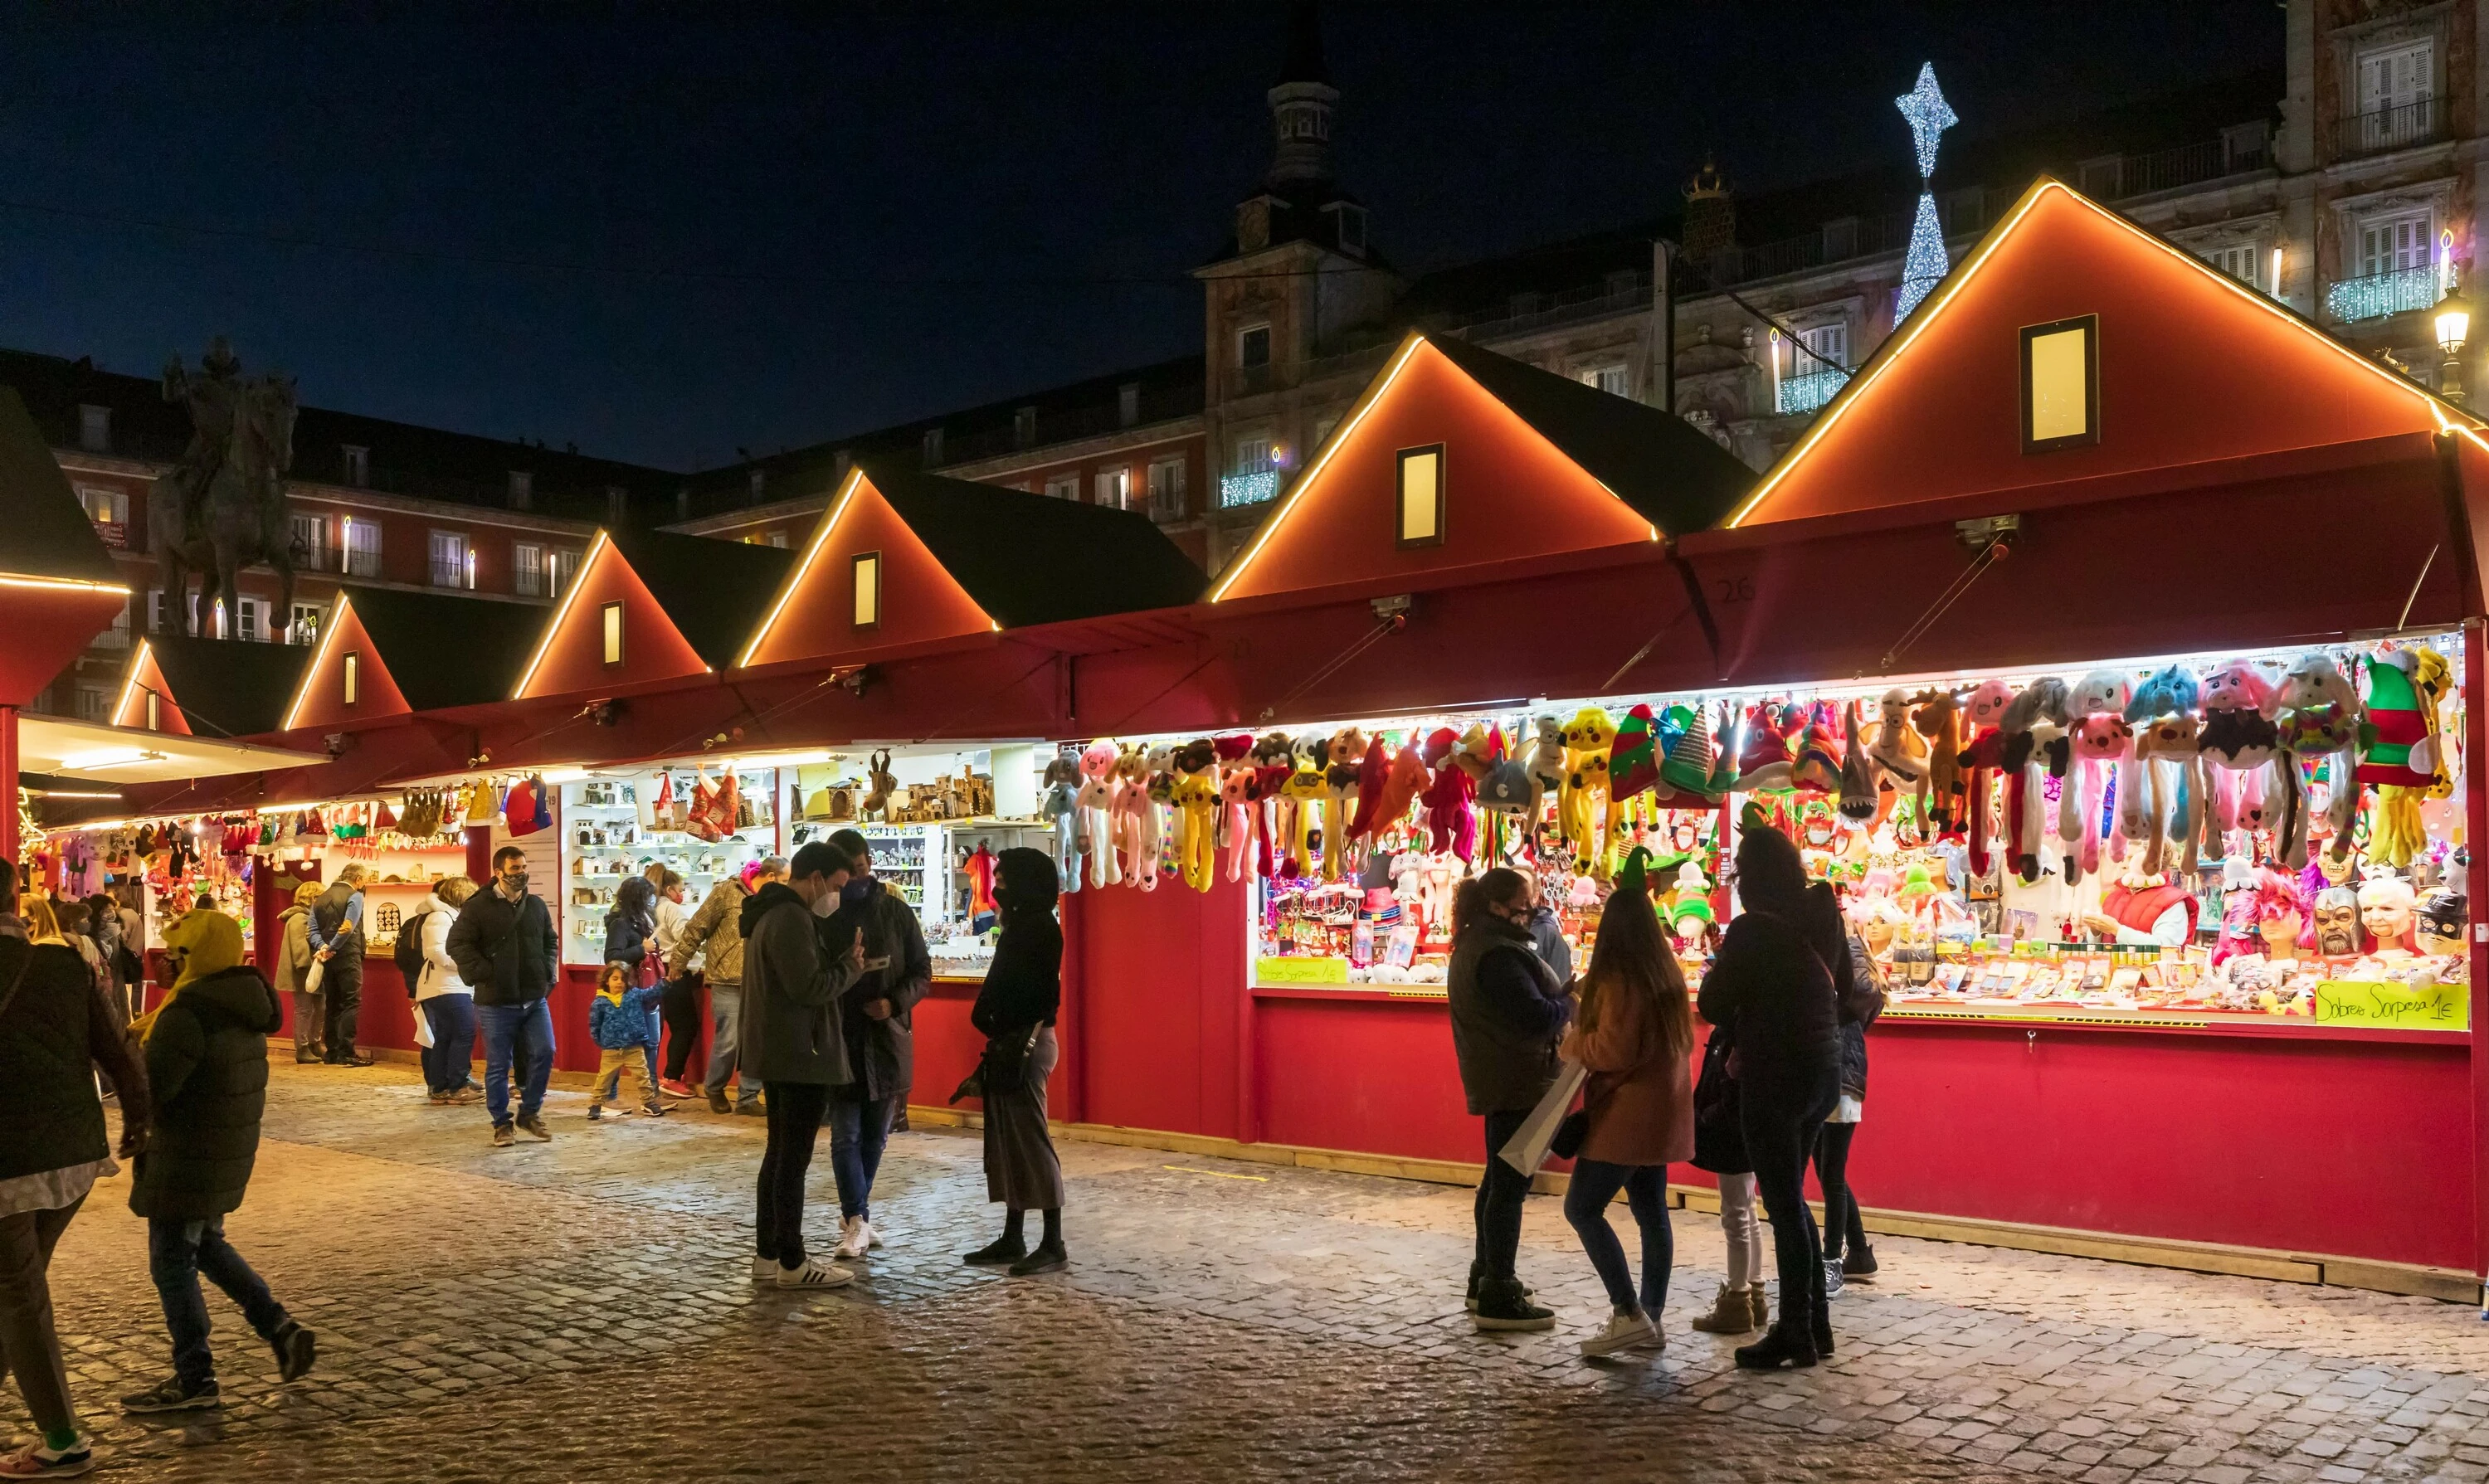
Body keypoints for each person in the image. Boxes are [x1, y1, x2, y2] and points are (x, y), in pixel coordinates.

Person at [118, 907, 316, 1415]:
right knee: (204, 1243)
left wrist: (124, 1059)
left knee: (171, 1263)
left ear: (197, 957)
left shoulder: (188, 1013)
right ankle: (279, 1328)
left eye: (173, 954)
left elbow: (155, 1089)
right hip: (219, 1153)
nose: (161, 964)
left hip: (186, 1156)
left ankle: (195, 1377)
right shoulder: (237, 1002)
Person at [0, 888, 151, 1477]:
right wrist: (139, 1115)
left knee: (19, 1294)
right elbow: (114, 1046)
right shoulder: (62, 961)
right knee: (16, 1290)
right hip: (74, 1153)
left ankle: (62, 1438)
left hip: (10, 1159)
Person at [1697, 826, 1846, 1370]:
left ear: (1749, 876)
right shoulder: (1820, 917)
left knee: (1782, 1204)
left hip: (1774, 1070)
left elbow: (1713, 1002)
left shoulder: (1752, 929)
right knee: (1794, 1197)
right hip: (1822, 1065)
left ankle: (1796, 1333)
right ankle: (1815, 1325)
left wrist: (1720, 961)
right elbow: (1845, 989)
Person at [1558, 878, 1695, 1358]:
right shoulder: (1666, 974)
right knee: (1652, 1213)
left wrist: (1573, 1041)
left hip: (1626, 1114)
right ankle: (1651, 1317)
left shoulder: (1618, 980)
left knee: (1581, 1207)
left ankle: (1627, 1313)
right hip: (1662, 1114)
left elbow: (1610, 1049)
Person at [1445, 865, 1571, 1332]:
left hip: (1500, 1075)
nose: (1531, 910)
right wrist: (1570, 1002)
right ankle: (1500, 1286)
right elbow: (1535, 1017)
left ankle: (1485, 1279)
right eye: (1525, 902)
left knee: (1496, 1181)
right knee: (1509, 1187)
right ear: (1499, 906)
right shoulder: (1498, 954)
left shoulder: (1478, 944)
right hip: (1516, 1079)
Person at [740, 842, 864, 1288]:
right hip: (799, 1055)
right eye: (835, 886)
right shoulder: (790, 917)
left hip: (780, 1051)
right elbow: (807, 987)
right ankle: (792, 1261)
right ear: (814, 878)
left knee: (779, 1155)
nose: (836, 896)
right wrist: (851, 969)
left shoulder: (770, 915)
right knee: (792, 1159)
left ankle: (769, 1255)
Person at [822, 829, 931, 1261]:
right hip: (843, 1039)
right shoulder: (825, 918)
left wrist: (895, 1002)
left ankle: (858, 1218)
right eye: (849, 872)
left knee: (875, 1138)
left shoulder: (896, 913)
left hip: (888, 1038)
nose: (857, 877)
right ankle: (856, 1217)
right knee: (845, 1136)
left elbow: (922, 971)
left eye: (862, 867)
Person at [962, 847, 1070, 1277]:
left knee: (1031, 1141)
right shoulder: (1023, 924)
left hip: (1024, 1043)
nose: (996, 887)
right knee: (1009, 1142)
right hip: (1012, 1040)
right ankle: (1014, 1233)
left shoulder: (1038, 928)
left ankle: (1052, 1241)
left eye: (1003, 880)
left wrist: (999, 1023)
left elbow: (1036, 995)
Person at [446, 848, 559, 1149]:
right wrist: (484, 972)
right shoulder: (478, 907)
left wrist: (547, 971)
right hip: (496, 1001)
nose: (521, 873)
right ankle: (501, 1123)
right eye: (514, 868)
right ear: (498, 872)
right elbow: (456, 943)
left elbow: (550, 940)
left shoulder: (535, 905)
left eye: (524, 867)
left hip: (535, 998)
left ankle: (530, 1112)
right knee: (498, 1064)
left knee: (545, 1051)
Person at [673, 858, 783, 1116]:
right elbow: (697, 926)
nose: (787, 884)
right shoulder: (726, 892)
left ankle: (748, 1098)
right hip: (727, 979)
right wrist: (679, 961)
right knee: (730, 1040)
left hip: (762, 982)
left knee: (757, 1041)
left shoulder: (777, 899)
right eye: (784, 879)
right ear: (770, 877)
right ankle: (714, 1086)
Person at [1814, 927, 1888, 1295]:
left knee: (1831, 1173)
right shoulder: (1840, 961)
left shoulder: (1832, 965)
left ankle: (1831, 1261)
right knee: (1829, 1172)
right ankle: (1859, 1253)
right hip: (1837, 1074)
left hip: (1839, 1074)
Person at [415, 877, 480, 1105]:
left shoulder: (445, 916)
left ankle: (440, 1085)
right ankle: (457, 1085)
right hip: (446, 985)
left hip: (446, 985)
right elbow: (439, 952)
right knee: (464, 1031)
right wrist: (468, 964)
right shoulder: (441, 918)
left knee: (445, 1036)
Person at [586, 962, 669, 1122]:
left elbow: (652, 993)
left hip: (634, 1047)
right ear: (606, 981)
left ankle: (648, 1102)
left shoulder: (634, 995)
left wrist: (666, 982)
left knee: (643, 1076)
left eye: (623, 979)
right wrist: (602, 1042)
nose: (619, 982)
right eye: (615, 978)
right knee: (604, 1079)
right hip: (611, 1049)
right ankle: (596, 1105)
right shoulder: (600, 1002)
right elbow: (594, 1025)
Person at [307, 864, 371, 1066]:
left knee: (332, 1003)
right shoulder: (356, 896)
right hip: (348, 954)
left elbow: (312, 930)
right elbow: (348, 927)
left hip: (328, 958)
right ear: (359, 879)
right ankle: (347, 1051)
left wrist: (324, 947)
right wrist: (333, 947)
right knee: (351, 1002)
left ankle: (331, 1052)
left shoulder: (321, 897)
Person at [652, 870, 701, 1099]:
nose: (682, 894)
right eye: (680, 890)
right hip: (675, 973)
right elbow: (687, 938)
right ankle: (672, 1077)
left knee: (669, 1027)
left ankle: (667, 1076)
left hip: (658, 973)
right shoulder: (671, 909)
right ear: (669, 890)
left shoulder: (651, 908)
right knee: (686, 1026)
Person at [270, 883, 323, 1065]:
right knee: (305, 1009)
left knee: (318, 1008)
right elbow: (300, 948)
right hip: (304, 971)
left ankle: (314, 1042)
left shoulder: (304, 917)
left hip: (311, 970)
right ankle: (303, 1047)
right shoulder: (299, 919)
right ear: (313, 897)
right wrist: (305, 967)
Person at [1516, 869, 1574, 983]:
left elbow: (1561, 986)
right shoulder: (1494, 930)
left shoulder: (1548, 934)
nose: (1516, 892)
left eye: (1523, 888)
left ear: (1536, 896)